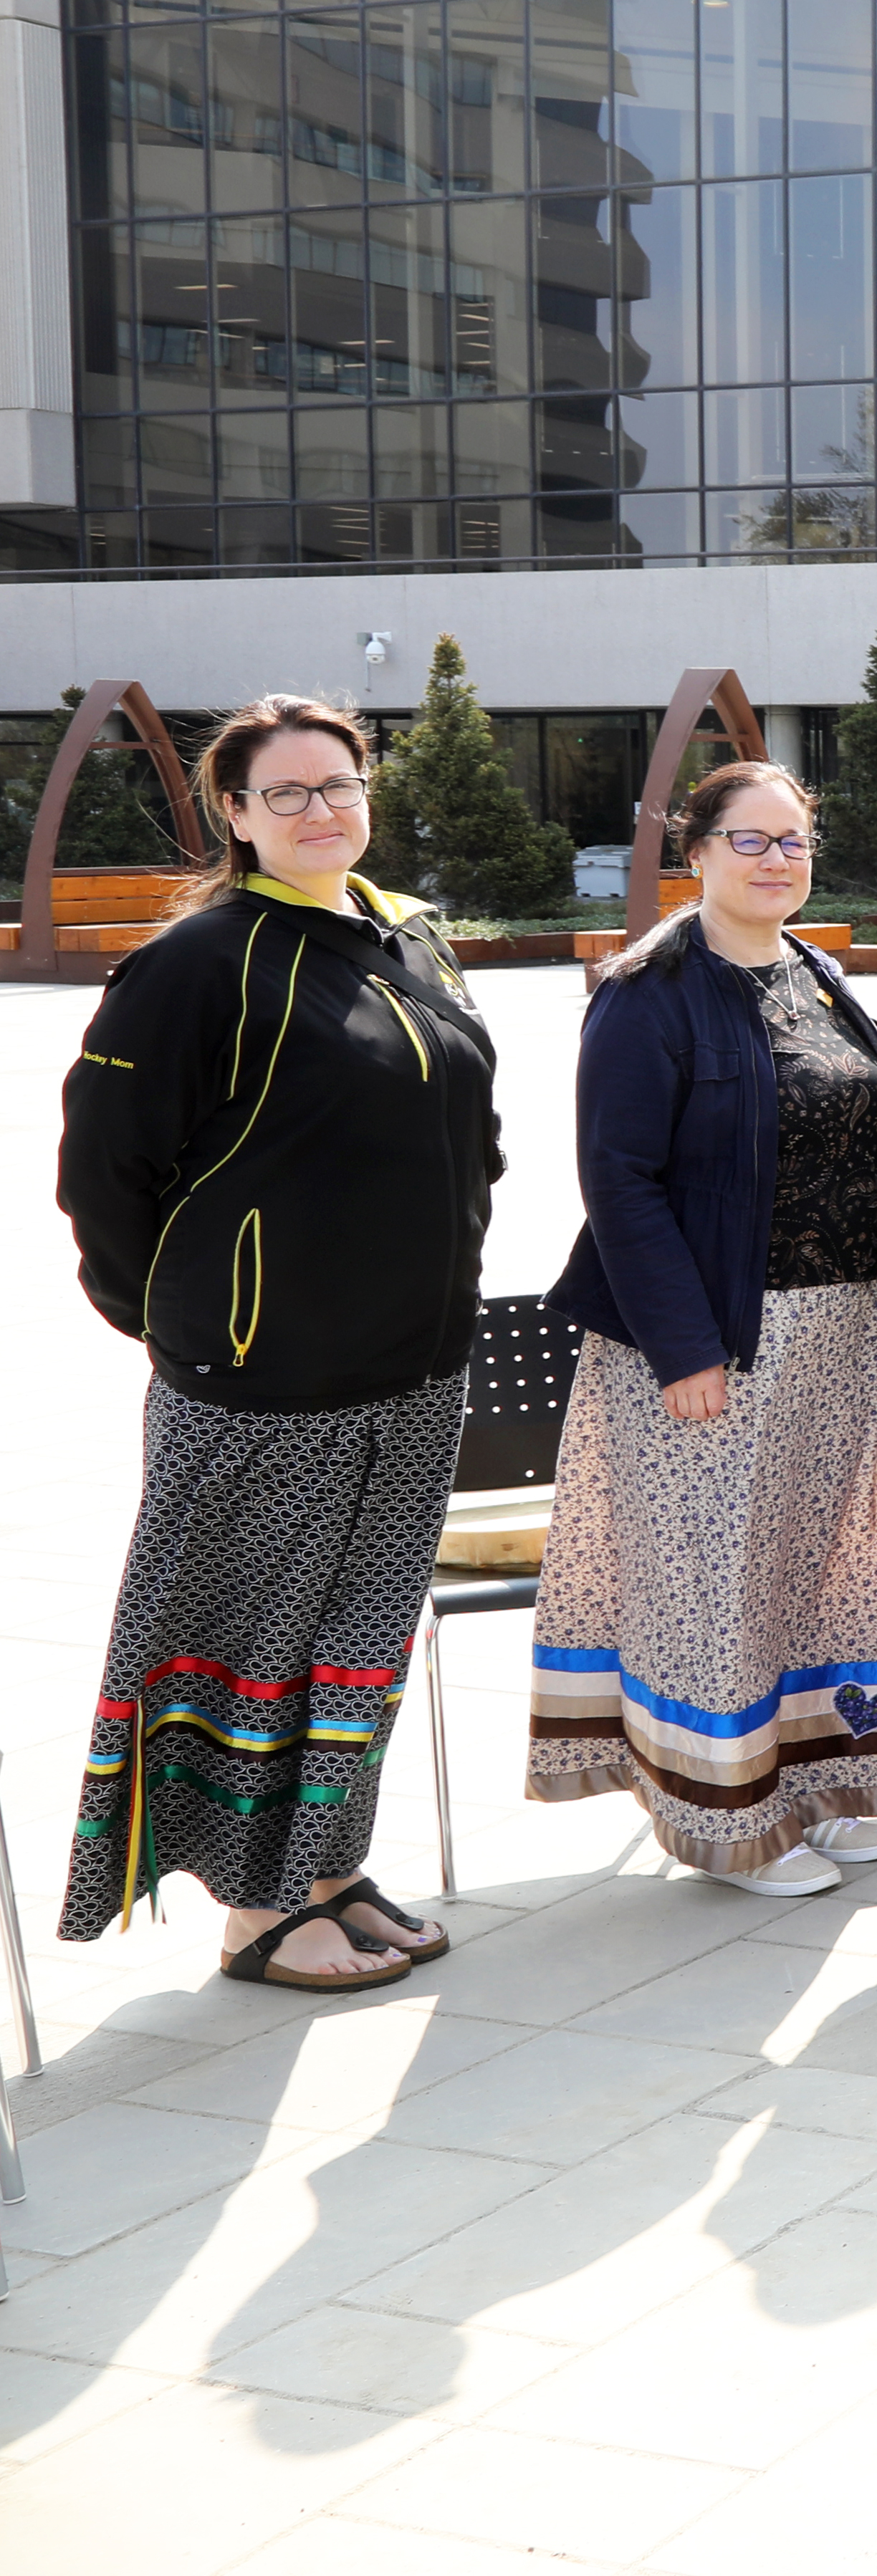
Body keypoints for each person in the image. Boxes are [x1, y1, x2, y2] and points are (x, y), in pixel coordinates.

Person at [54, 696, 500, 1991]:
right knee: (253, 1640)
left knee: (355, 1642)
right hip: (264, 1383)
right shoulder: (194, 964)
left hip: (414, 1369)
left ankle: (324, 1870)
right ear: (236, 817)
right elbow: (104, 1176)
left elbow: (467, 1123)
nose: (321, 810)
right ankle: (254, 1915)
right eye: (287, 793)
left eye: (340, 784)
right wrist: (197, 1322)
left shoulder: (407, 932)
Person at [532, 763, 877, 1895]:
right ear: (694, 851)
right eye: (750, 841)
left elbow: (861, 1124)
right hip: (718, 1337)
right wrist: (683, 1347)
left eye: (794, 842)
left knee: (825, 1566)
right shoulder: (648, 987)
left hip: (838, 1326)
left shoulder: (816, 973)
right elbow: (618, 1178)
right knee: (717, 1577)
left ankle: (816, 1781)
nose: (776, 862)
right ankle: (724, 1818)